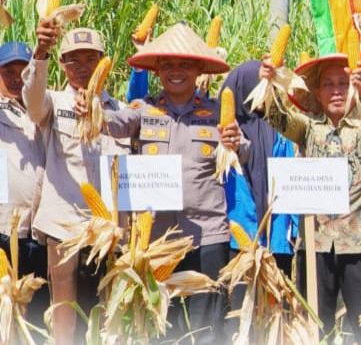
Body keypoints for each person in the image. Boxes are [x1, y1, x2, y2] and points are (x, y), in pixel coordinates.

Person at [98, 23, 247, 344]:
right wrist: (92, 110)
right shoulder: (143, 109)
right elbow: (113, 124)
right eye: (167, 65)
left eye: (184, 65)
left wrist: (236, 142)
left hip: (207, 235)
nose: (175, 71)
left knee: (206, 329)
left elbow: (243, 150)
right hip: (157, 238)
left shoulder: (216, 113)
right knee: (161, 326)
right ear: (157, 71)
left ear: (198, 70)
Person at [256, 51, 361, 343]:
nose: (337, 90)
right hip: (316, 244)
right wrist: (270, 82)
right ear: (317, 92)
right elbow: (278, 118)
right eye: (328, 84)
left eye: (343, 83)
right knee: (314, 329)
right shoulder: (308, 128)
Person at [24, 24, 128, 344]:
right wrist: (40, 53)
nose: (83, 67)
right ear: (62, 65)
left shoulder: (120, 111)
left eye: (90, 59)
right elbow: (32, 100)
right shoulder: (54, 103)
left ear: (103, 61)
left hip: (108, 231)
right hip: (64, 225)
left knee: (105, 317)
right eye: (73, 60)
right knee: (65, 319)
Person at [222, 61, 298, 274]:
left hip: (277, 235)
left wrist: (296, 227)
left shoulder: (282, 128)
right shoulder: (226, 131)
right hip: (240, 234)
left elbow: (292, 176)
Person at [0, 42, 47, 326]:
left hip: (41, 230)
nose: (17, 78)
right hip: (5, 229)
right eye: (8, 72)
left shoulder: (44, 109)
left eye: (24, 72)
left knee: (37, 318)